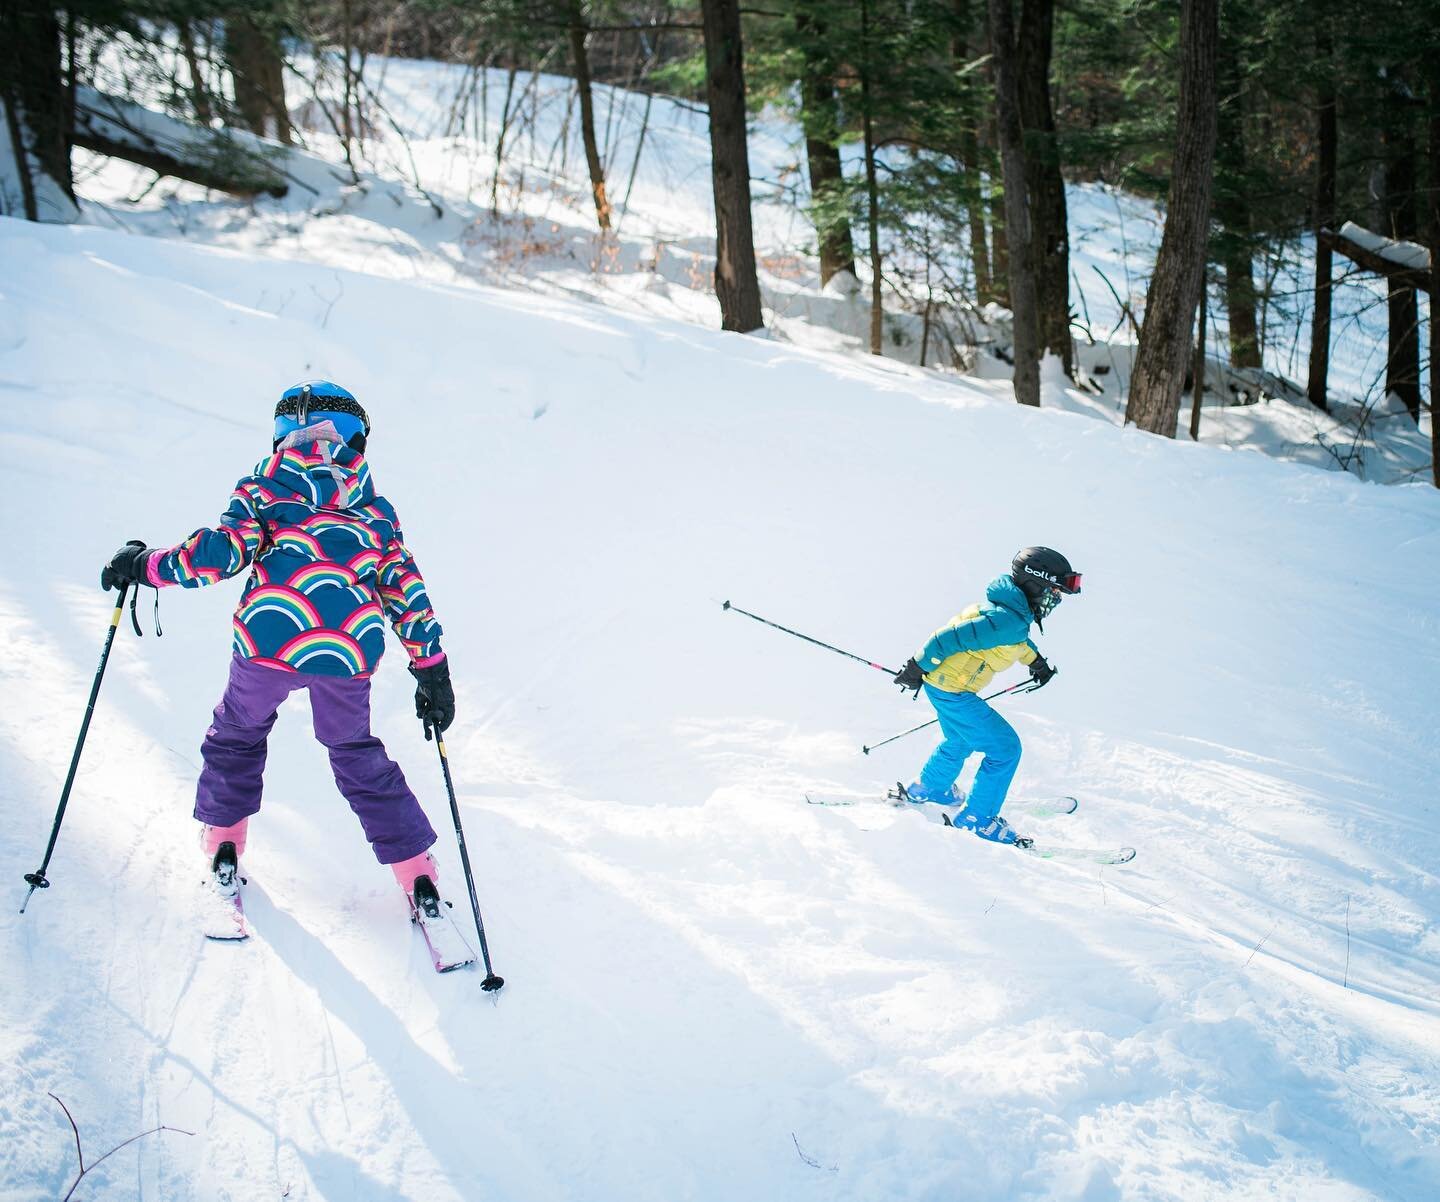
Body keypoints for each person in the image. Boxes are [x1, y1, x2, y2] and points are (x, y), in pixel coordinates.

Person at [100, 380, 457, 917]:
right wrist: (433, 669)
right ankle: (416, 873)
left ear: (280, 438)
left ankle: (223, 839)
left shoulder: (265, 488)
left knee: (238, 733)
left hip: (268, 641)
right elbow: (405, 591)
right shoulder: (375, 511)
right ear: (357, 440)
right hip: (344, 654)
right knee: (354, 752)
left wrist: (144, 564)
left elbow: (217, 555)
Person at [891, 547, 1081, 844]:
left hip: (946, 687)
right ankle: (977, 820)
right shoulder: (1008, 620)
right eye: (1053, 592)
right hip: (952, 690)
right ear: (1036, 583)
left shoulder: (1011, 615)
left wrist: (1037, 662)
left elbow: (1015, 642)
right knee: (1005, 749)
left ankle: (930, 788)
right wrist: (916, 667)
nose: (1054, 600)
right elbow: (946, 639)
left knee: (960, 739)